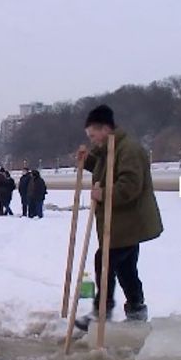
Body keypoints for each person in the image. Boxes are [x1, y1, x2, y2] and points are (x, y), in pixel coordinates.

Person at [75, 104, 163, 327]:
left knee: (104, 261)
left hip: (129, 222)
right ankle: (136, 309)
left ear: (105, 129)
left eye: (93, 135)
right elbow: (105, 169)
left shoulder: (128, 149)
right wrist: (87, 160)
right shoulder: (111, 149)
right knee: (126, 268)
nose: (93, 140)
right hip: (121, 223)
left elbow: (130, 185)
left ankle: (102, 311)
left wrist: (103, 193)